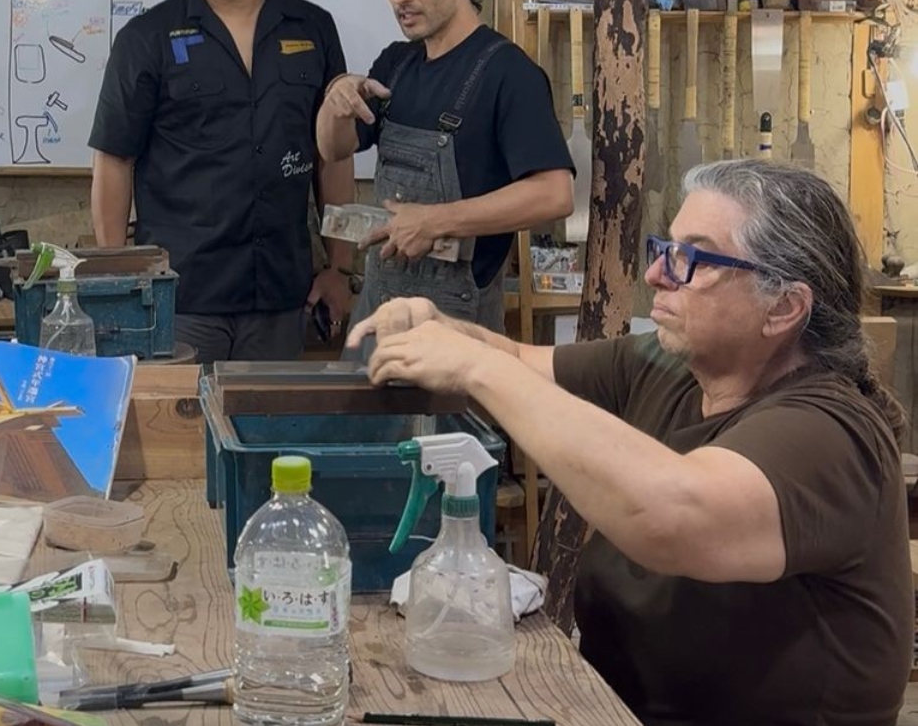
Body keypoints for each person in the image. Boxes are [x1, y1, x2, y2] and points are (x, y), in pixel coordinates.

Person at [347, 159, 911, 726]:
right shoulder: (668, 365)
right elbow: (517, 360)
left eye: (693, 258)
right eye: (665, 248)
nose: (658, 275)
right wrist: (438, 326)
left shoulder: (832, 432)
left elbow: (672, 515)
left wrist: (474, 369)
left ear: (784, 307)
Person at [89, 0, 355, 363]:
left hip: (281, 294)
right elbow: (113, 161)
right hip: (180, 296)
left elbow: (333, 158)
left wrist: (339, 267)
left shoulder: (314, 29)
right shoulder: (146, 38)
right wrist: (118, 276)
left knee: (268, 434)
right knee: (181, 434)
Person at [316, 0, 574, 336]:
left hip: (456, 319)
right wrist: (333, 102)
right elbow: (334, 148)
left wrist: (437, 220)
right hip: (380, 305)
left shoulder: (508, 73)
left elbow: (554, 195)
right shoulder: (395, 64)